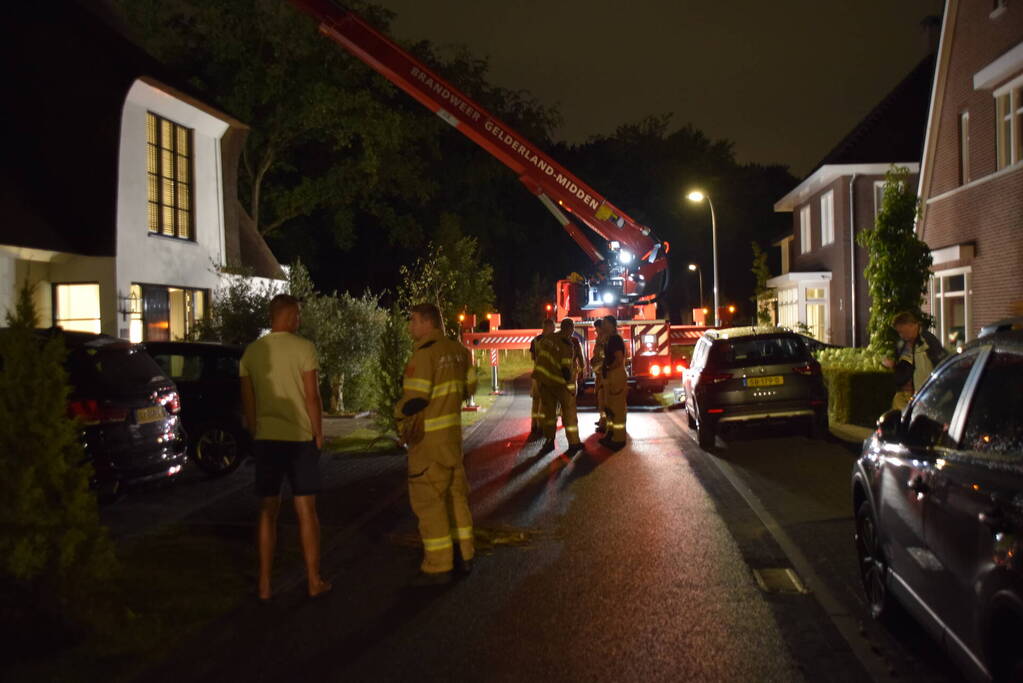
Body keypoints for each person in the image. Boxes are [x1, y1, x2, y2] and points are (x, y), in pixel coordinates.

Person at [240, 294, 330, 601]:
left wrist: (255, 432)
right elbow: (312, 397)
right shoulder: (304, 348)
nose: (300, 320)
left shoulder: (252, 353)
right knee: (306, 511)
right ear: (289, 315)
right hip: (299, 438)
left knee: (267, 512)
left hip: (267, 439)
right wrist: (318, 433)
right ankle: (314, 580)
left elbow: (248, 401)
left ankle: (264, 584)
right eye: (299, 315)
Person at [395, 303, 477, 585]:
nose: (410, 327)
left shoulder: (424, 354)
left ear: (427, 322)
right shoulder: (459, 352)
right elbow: (471, 386)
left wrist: (398, 419)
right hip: (452, 440)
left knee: (429, 503)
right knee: (456, 498)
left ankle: (438, 565)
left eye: (413, 321)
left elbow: (414, 401)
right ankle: (465, 554)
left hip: (428, 443)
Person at [533, 318, 583, 456]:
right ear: (571, 329)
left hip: (544, 382)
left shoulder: (547, 339)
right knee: (569, 412)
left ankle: (549, 442)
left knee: (549, 415)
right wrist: (570, 387)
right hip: (559, 383)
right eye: (572, 329)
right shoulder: (566, 344)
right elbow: (566, 369)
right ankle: (574, 443)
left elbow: (539, 357)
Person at [881, 310, 947, 411]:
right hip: (906, 397)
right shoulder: (902, 344)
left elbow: (942, 365)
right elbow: (906, 367)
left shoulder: (928, 341)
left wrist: (937, 392)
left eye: (903, 331)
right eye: (899, 332)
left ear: (912, 325)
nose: (901, 335)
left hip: (925, 396)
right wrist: (894, 366)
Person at [600, 315, 628, 450]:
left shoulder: (615, 340)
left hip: (616, 376)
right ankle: (610, 434)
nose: (603, 326)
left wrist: (609, 369)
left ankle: (619, 439)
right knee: (610, 408)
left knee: (617, 409)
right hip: (611, 376)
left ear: (611, 325)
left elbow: (619, 359)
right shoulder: (609, 339)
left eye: (605, 323)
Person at [528, 319, 555, 439]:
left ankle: (533, 425)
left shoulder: (535, 341)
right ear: (549, 327)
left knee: (535, 401)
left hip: (536, 374)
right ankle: (540, 426)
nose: (554, 330)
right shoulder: (553, 341)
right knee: (544, 402)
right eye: (553, 328)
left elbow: (533, 357)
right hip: (547, 375)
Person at [590, 318, 608, 432]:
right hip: (599, 372)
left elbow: (603, 355)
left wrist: (596, 363)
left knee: (603, 399)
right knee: (600, 397)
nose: (596, 331)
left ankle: (604, 424)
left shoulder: (604, 338)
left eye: (597, 329)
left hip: (603, 372)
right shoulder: (600, 337)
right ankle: (602, 419)